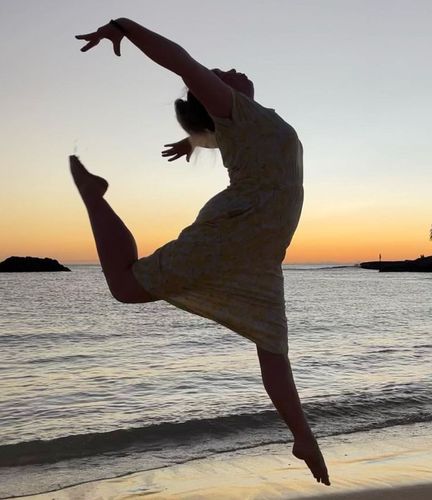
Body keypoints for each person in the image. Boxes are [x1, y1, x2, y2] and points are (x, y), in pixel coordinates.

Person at [72, 18, 330, 485]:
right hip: (236, 233)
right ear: (215, 96)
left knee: (273, 347)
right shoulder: (236, 112)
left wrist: (193, 141)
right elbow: (181, 62)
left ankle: (303, 437)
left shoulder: (249, 120)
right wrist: (124, 27)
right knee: (125, 286)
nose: (229, 69)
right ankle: (94, 196)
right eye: (220, 73)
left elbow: (219, 130)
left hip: (261, 251)